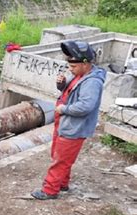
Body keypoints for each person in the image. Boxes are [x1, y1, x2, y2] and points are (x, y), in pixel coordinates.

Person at [32, 40, 106, 200]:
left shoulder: (92, 82)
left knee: (61, 160)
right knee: (60, 156)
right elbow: (73, 94)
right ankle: (62, 183)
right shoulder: (80, 75)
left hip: (74, 127)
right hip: (66, 124)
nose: (70, 70)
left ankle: (50, 190)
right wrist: (62, 86)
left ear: (85, 64)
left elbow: (86, 106)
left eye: (73, 66)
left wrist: (63, 109)